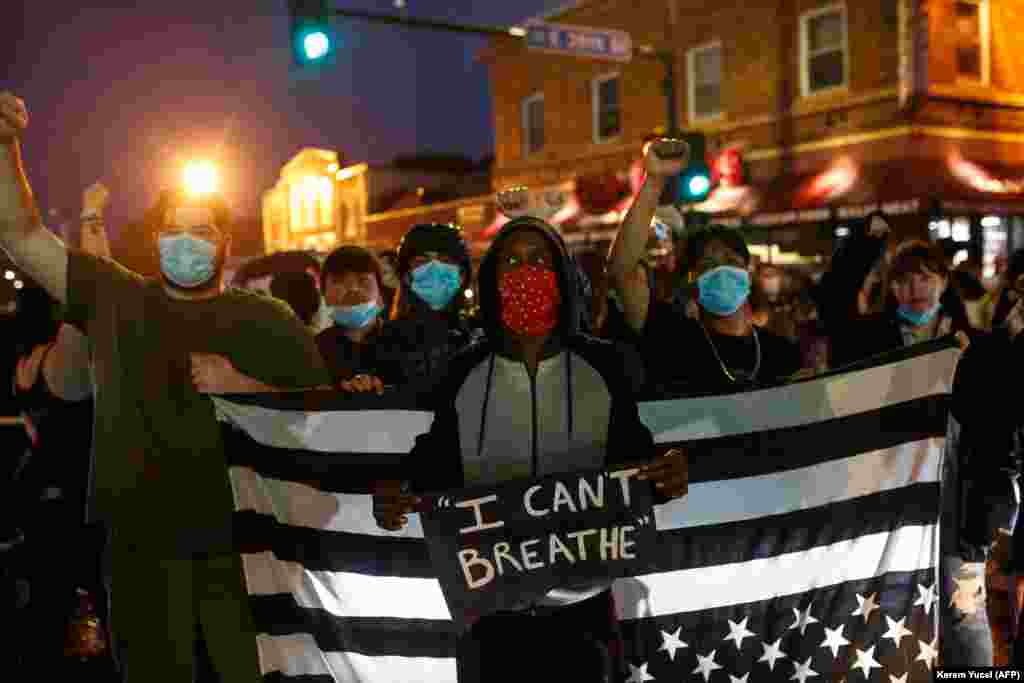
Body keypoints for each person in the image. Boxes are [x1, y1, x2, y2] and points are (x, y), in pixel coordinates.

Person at [0, 92, 330, 683]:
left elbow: (320, 427)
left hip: (242, 552)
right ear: (154, 240)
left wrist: (243, 385)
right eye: (172, 231)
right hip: (139, 548)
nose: (184, 243)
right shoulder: (117, 298)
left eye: (199, 231)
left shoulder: (269, 321)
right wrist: (5, 148)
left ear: (225, 240)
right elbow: (21, 234)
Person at [374, 215, 687, 682]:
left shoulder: (605, 364)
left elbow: (634, 464)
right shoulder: (464, 370)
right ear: (491, 283)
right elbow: (437, 461)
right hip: (490, 621)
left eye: (539, 260)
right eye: (512, 262)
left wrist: (666, 476)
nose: (526, 272)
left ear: (561, 275)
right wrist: (400, 492)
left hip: (585, 616)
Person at [607, 138, 801, 397]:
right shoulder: (672, 341)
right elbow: (622, 269)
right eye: (708, 265)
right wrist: (654, 181)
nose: (722, 272)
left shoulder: (781, 354)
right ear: (691, 280)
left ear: (748, 271)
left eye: (731, 262)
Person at [818, 212, 976, 369]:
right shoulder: (871, 338)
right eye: (904, 281)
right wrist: (866, 243)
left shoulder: (970, 339)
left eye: (925, 278)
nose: (915, 288)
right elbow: (833, 301)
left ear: (943, 282)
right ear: (892, 287)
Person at [385, 222, 481, 393]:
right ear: (407, 277)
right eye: (422, 261)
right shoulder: (385, 341)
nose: (434, 269)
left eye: (445, 260)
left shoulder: (479, 338)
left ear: (462, 275)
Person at [315, 244, 399, 392]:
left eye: (363, 281)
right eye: (339, 281)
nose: (353, 289)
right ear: (324, 296)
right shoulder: (316, 350)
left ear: (380, 295)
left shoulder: (404, 343)